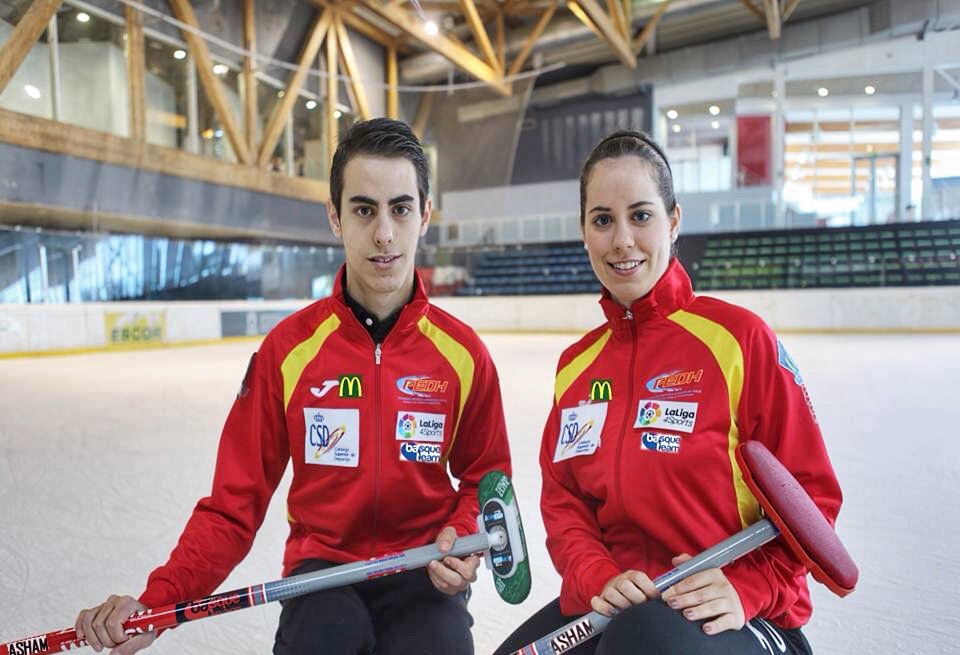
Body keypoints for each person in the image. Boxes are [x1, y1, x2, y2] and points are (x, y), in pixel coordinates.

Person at [75, 118, 512, 655]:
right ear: (335, 217)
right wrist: (159, 602)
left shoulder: (462, 354)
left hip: (422, 571)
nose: (383, 233)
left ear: (423, 215)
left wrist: (462, 536)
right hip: (321, 577)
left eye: (400, 208)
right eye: (363, 209)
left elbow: (486, 480)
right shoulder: (288, 351)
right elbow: (233, 506)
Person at [495, 130, 843, 655]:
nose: (622, 241)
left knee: (643, 640)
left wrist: (750, 586)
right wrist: (598, 577)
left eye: (640, 215)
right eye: (603, 220)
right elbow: (565, 500)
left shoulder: (738, 341)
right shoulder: (577, 368)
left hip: (740, 618)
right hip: (622, 609)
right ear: (584, 231)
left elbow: (812, 498)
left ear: (673, 221)